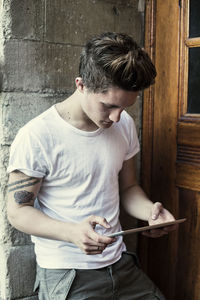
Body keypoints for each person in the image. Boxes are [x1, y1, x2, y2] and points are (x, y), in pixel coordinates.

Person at [7, 32, 176, 300]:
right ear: (81, 85)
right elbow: (17, 212)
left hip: (120, 263)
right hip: (68, 273)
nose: (116, 117)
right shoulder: (38, 136)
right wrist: (72, 232)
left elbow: (129, 187)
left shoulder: (124, 124)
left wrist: (149, 213)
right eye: (109, 106)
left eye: (125, 107)